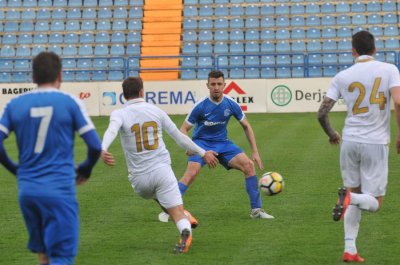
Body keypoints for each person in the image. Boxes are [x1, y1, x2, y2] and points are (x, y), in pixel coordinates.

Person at [0, 52, 102, 265]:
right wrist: (86, 168)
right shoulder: (70, 102)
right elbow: (94, 145)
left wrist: (16, 170)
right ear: (60, 75)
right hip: (59, 190)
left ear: (33, 77)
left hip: (27, 191)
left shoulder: (14, 104)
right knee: (61, 257)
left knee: (44, 256)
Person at [101, 77, 218, 254]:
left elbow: (111, 130)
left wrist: (103, 148)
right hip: (162, 171)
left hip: (139, 181)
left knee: (160, 197)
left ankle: (183, 215)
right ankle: (184, 228)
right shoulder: (156, 111)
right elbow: (180, 138)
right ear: (142, 91)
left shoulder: (119, 113)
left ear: (124, 95)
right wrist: (203, 153)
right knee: (175, 210)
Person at [317, 30, 400, 263]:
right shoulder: (389, 69)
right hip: (375, 143)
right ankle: (349, 200)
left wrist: (332, 133)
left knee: (352, 190)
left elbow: (322, 113)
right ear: (375, 49)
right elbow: (399, 100)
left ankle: (349, 249)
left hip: (350, 141)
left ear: (353, 51)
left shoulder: (342, 75)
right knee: (374, 203)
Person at [159, 70, 273, 223]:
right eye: (213, 84)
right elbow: (183, 129)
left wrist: (255, 152)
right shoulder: (200, 106)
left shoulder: (231, 104)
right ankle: (168, 211)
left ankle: (256, 210)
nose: (216, 87)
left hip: (222, 143)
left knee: (249, 166)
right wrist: (190, 147)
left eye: (219, 84)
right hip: (201, 143)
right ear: (208, 85)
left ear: (224, 85)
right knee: (191, 174)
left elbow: (246, 126)